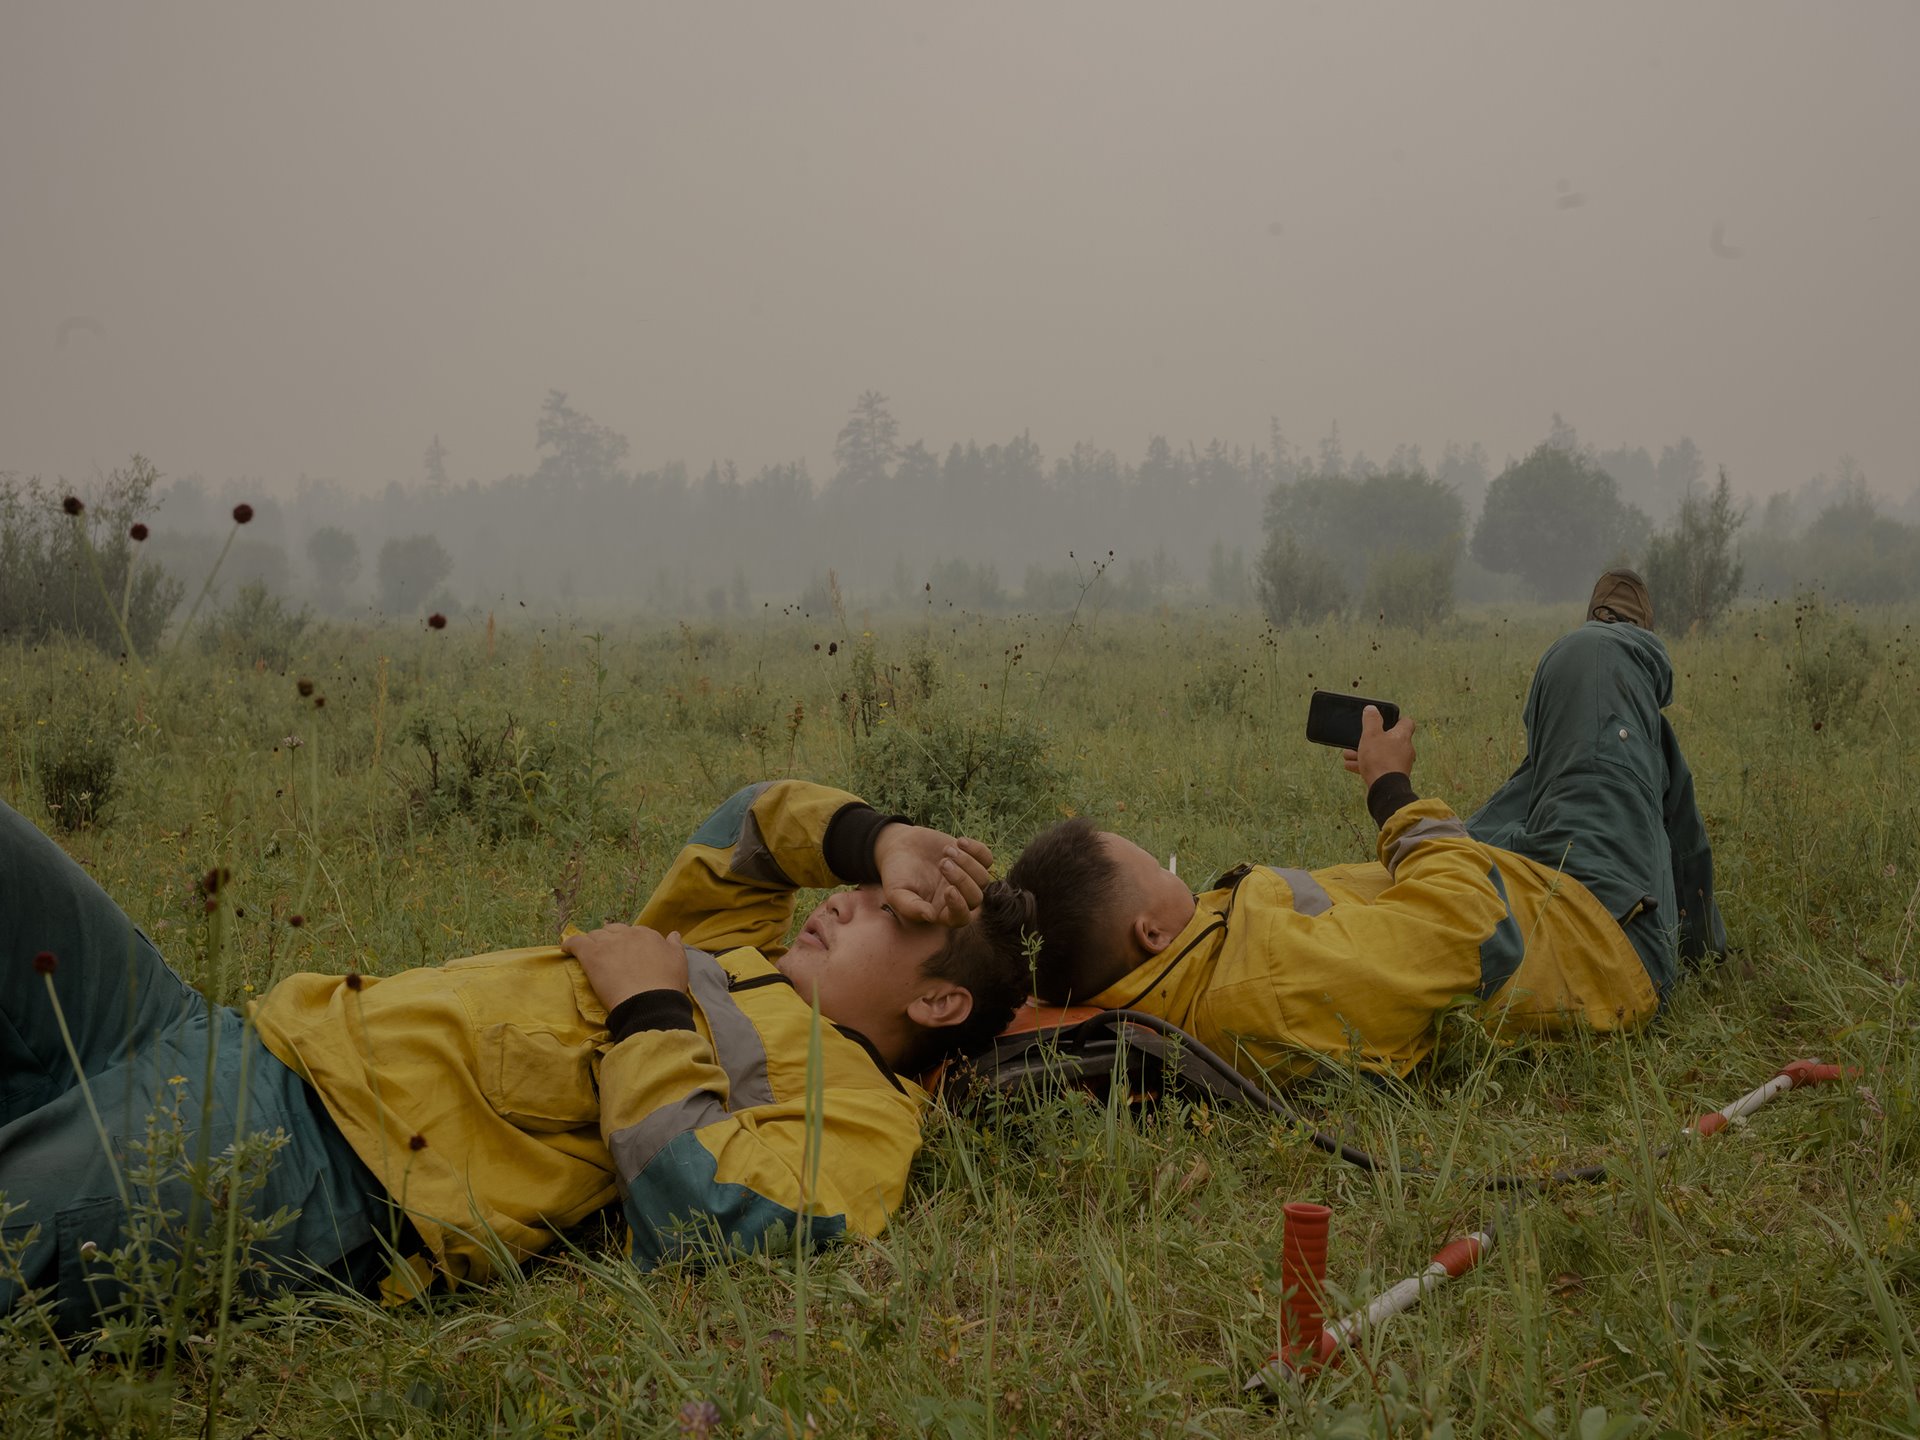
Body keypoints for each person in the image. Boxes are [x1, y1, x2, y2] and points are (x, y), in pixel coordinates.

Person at [2, 779, 1032, 1332]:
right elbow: (753, 825)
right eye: (866, 889)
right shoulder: (739, 944)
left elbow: (726, 1220)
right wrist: (881, 838)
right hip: (234, 1033)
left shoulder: (862, 1114)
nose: (845, 902)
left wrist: (650, 1006)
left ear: (940, 1000)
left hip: (308, 1162)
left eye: (889, 917)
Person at [1006, 570, 1727, 1089]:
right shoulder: (1262, 988)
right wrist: (1391, 793)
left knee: (1600, 750)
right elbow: (1473, 933)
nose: (1176, 874)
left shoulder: (1175, 965)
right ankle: (1623, 641)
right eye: (1161, 873)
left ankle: (1698, 933)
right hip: (1584, 927)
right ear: (1148, 934)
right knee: (1588, 667)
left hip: (1498, 873)